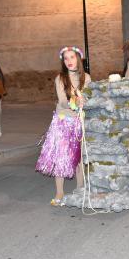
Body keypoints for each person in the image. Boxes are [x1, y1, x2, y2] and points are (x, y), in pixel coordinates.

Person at [35, 46, 90, 205]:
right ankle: (59, 192)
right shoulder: (60, 78)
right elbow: (63, 101)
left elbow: (90, 97)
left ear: (78, 58)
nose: (69, 61)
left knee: (78, 158)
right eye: (66, 58)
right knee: (61, 157)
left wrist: (85, 101)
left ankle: (80, 188)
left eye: (72, 57)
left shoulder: (86, 78)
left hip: (79, 122)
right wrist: (76, 101)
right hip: (62, 122)